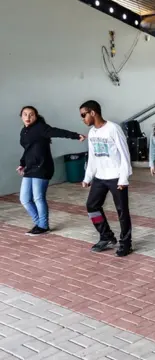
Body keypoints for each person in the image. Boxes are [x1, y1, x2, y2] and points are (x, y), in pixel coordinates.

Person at [18, 106, 85, 236]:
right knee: (25, 199)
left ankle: (43, 226)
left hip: (43, 166)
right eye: (25, 114)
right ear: (21, 116)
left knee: (38, 197)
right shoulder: (24, 131)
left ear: (36, 116)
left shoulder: (40, 127)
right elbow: (28, 149)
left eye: (31, 114)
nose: (28, 117)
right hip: (30, 167)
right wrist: (22, 163)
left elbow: (57, 132)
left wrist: (76, 136)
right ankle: (39, 223)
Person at [80, 100, 133, 257]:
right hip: (100, 177)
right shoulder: (92, 133)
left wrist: (123, 178)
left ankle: (126, 244)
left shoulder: (113, 129)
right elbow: (92, 157)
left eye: (84, 115)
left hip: (116, 177)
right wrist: (88, 176)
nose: (82, 119)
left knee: (122, 211)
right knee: (92, 206)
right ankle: (106, 236)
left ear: (93, 113)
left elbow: (125, 154)